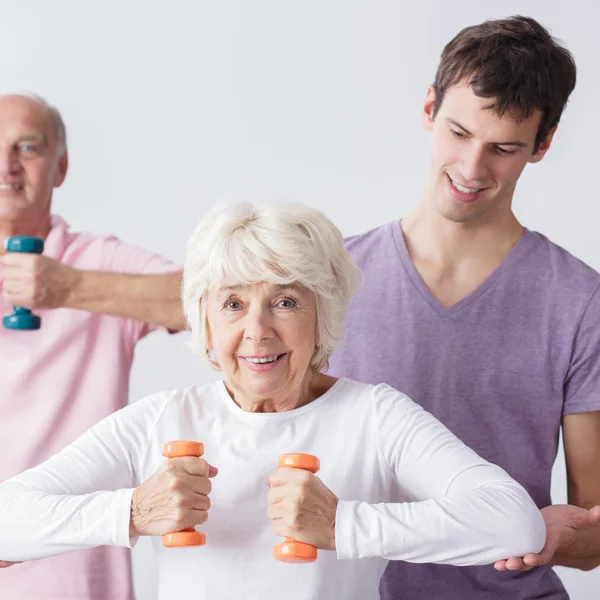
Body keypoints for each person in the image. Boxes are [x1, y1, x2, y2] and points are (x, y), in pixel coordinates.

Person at [0, 199, 546, 600]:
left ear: (322, 315)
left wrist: (343, 527)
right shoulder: (163, 419)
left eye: (284, 301)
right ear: (206, 324)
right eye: (233, 304)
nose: (257, 332)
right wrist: (133, 512)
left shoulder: (376, 417)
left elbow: (514, 522)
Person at [326, 14, 600, 600]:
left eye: (504, 148)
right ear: (429, 107)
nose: (473, 170)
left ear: (543, 144)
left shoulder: (580, 301)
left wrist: (551, 538)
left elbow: (595, 527)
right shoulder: (331, 277)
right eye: (458, 132)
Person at [0, 93, 186, 600]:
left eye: (27, 148)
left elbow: (206, 300)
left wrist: (69, 288)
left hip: (74, 574)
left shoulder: (95, 259)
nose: (7, 166)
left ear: (60, 167)